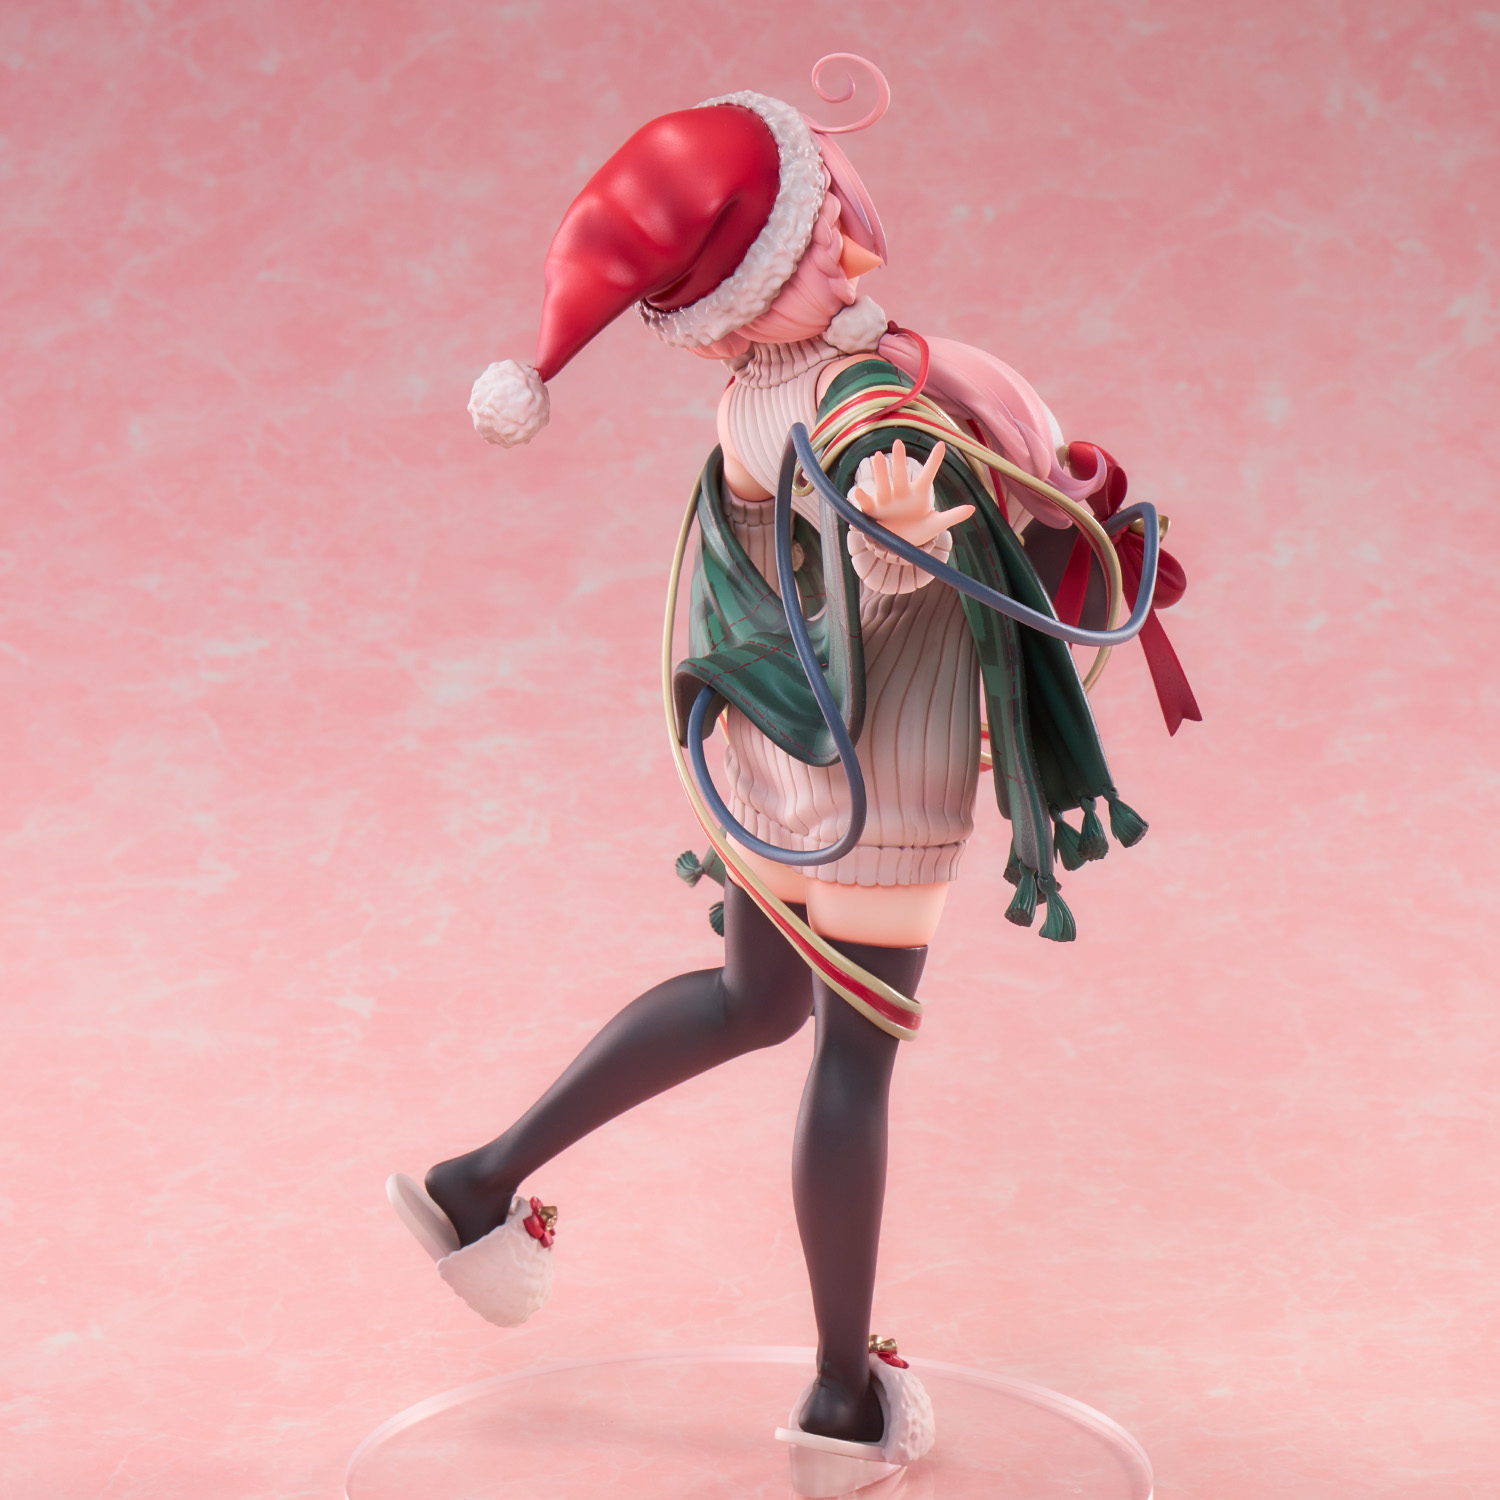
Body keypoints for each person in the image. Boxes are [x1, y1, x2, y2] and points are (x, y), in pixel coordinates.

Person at [388, 56, 1195, 1495]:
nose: (851, 250)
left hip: (781, 759)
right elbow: (875, 579)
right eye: (817, 238)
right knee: (855, 1052)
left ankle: (478, 1184)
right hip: (880, 771)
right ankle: (839, 1402)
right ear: (742, 287)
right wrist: (917, 526)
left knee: (753, 1001)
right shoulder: (853, 404)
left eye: (835, 220)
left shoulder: (768, 394)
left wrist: (983, 458)